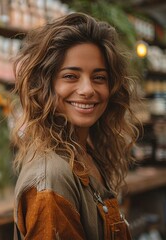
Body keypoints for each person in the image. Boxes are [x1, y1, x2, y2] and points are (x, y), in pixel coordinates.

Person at [11, 12, 140, 239]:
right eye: (71, 76)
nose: (88, 89)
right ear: (45, 86)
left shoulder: (85, 153)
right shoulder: (52, 177)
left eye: (99, 77)